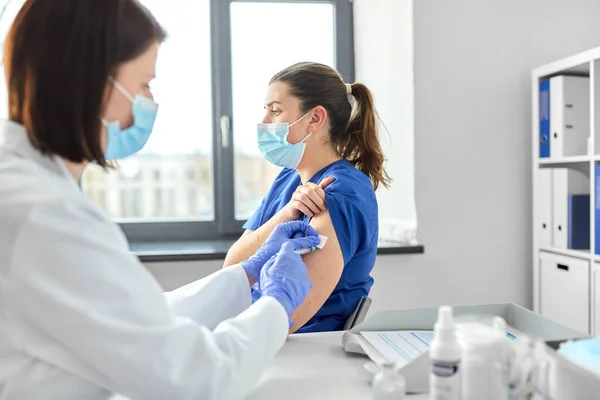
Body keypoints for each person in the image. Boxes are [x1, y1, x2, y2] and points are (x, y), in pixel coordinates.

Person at [0, 1, 319, 399]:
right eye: (143, 84)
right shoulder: (43, 214)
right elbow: (192, 378)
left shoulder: (28, 191)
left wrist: (246, 275)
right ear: (92, 81)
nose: (148, 102)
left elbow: (132, 323)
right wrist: (275, 305)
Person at [224, 62, 391, 333]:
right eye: (265, 111)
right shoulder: (288, 179)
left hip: (308, 347)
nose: (264, 123)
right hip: (266, 334)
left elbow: (289, 315)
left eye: (275, 111)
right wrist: (287, 213)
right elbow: (232, 269)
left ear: (314, 119)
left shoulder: (339, 191)